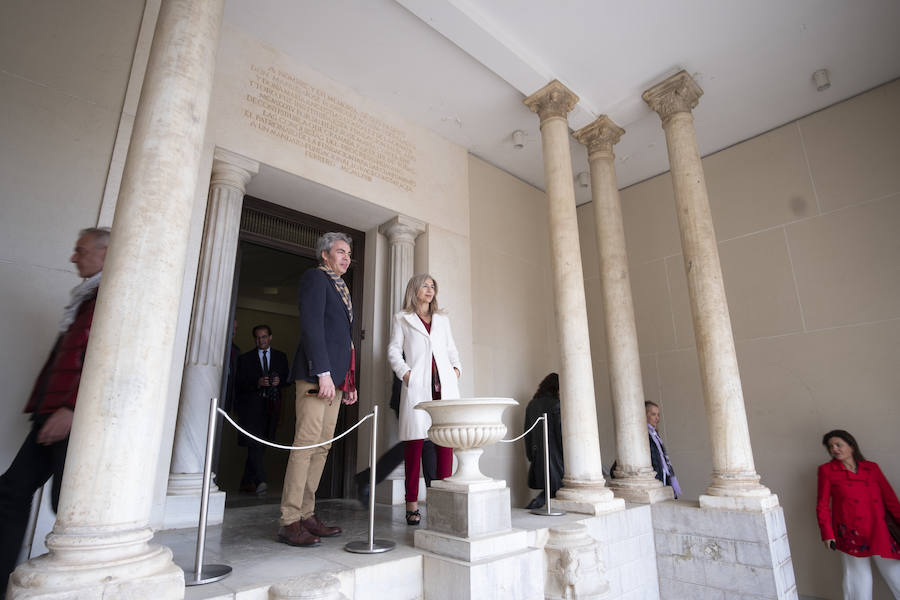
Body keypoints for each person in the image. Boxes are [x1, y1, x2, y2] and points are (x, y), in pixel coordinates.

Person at [0, 227, 109, 591]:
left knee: (69, 507)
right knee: (13, 492)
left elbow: (103, 359)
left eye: (81, 250)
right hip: (53, 410)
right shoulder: (86, 297)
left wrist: (72, 409)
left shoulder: (108, 297)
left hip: (71, 415)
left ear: (105, 255)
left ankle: (89, 585)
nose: (73, 257)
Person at [277, 232, 358, 548]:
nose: (346, 258)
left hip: (336, 381)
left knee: (322, 447)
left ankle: (307, 515)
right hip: (316, 376)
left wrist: (347, 380)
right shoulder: (316, 278)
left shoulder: (341, 287)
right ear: (324, 255)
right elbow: (311, 326)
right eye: (340, 252)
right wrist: (323, 373)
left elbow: (343, 340)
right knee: (306, 445)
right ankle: (289, 520)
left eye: (349, 254)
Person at [387, 274, 461, 525]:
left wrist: (456, 370)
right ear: (414, 290)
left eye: (432, 286)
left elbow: (451, 349)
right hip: (418, 388)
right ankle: (411, 503)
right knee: (414, 446)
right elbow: (394, 350)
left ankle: (443, 502)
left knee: (445, 446)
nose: (429, 290)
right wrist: (406, 375)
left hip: (444, 388)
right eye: (425, 286)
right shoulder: (402, 318)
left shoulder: (442, 319)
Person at [816, 429, 900, 599]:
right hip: (850, 532)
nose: (835, 449)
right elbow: (822, 505)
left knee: (895, 572)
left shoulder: (872, 468)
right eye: (831, 446)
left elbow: (890, 499)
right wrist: (827, 533)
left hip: (879, 529)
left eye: (839, 444)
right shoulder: (827, 470)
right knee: (858, 577)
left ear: (851, 446)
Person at [352, 374, 437, 507]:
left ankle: (434, 498)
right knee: (418, 443)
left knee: (425, 444)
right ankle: (434, 499)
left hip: (423, 400)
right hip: (409, 399)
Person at [235, 324, 289, 495]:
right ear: (255, 339)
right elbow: (240, 384)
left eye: (264, 337)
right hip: (251, 408)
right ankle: (260, 480)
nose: (261, 340)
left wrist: (279, 381)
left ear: (270, 337)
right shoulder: (245, 359)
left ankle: (246, 481)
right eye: (258, 337)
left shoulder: (281, 357)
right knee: (254, 443)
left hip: (271, 407)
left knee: (262, 443)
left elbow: (288, 379)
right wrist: (257, 383)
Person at [523, 373, 563, 509]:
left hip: (539, 455)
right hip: (555, 456)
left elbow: (526, 433)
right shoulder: (556, 405)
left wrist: (530, 455)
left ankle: (537, 503)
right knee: (557, 488)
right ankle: (536, 504)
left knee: (551, 488)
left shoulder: (532, 405)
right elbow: (560, 433)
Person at [645, 401, 681, 498]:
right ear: (645, 416)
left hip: (664, 477)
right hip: (655, 481)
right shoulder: (645, 436)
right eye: (653, 414)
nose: (657, 418)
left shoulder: (655, 436)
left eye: (658, 415)